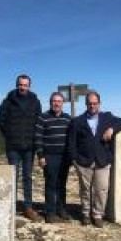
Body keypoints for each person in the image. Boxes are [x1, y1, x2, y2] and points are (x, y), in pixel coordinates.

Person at [68, 91, 121, 227]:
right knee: (85, 190)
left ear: (99, 104)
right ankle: (85, 214)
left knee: (102, 189)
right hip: (83, 162)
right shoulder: (77, 121)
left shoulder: (107, 117)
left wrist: (112, 129)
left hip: (103, 160)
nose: (92, 106)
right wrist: (75, 160)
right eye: (89, 103)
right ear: (86, 104)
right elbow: (71, 142)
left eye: (95, 103)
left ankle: (97, 214)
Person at [0, 73, 42, 221]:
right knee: (13, 176)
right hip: (13, 146)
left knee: (28, 177)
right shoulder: (8, 101)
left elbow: (38, 122)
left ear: (29, 86)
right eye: (20, 84)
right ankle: (12, 205)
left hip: (30, 146)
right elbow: (1, 120)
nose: (22, 87)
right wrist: (9, 136)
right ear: (17, 85)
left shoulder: (35, 102)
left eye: (25, 85)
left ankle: (28, 207)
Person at [34, 92, 72, 223]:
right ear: (50, 103)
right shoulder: (43, 117)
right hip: (49, 156)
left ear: (63, 103)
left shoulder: (68, 118)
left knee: (62, 185)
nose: (57, 103)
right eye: (54, 101)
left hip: (64, 157)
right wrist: (40, 156)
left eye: (59, 101)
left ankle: (61, 210)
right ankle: (50, 213)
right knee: (50, 185)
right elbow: (38, 138)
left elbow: (71, 138)